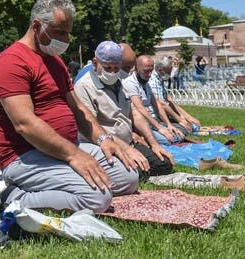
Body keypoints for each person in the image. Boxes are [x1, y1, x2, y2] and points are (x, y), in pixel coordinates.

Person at [0, 0, 140, 213]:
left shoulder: (55, 61)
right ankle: (14, 197)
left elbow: (78, 108)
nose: (65, 40)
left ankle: (58, 184)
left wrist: (103, 139)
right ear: (36, 25)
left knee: (128, 176)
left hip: (64, 149)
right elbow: (25, 124)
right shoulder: (12, 61)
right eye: (59, 32)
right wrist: (74, 156)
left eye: (67, 33)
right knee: (98, 197)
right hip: (25, 156)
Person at [74, 41, 173, 180]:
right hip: (105, 145)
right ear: (96, 63)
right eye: (108, 68)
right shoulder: (84, 86)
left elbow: (135, 114)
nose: (113, 73)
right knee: (137, 172)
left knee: (163, 164)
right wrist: (126, 150)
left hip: (128, 141)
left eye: (116, 68)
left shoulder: (120, 82)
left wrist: (154, 143)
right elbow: (94, 127)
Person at [122, 55, 184, 146]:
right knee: (170, 140)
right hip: (143, 125)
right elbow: (140, 107)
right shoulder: (130, 83)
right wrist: (160, 128)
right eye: (146, 71)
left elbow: (157, 104)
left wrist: (168, 125)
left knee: (180, 134)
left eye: (151, 71)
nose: (150, 74)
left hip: (154, 122)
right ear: (136, 68)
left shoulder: (145, 82)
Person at [150, 57, 200, 134]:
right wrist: (180, 120)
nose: (169, 75)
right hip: (156, 118)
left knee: (192, 126)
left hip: (163, 117)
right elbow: (162, 104)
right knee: (186, 129)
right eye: (168, 72)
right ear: (160, 70)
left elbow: (169, 101)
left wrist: (186, 116)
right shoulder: (153, 80)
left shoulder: (159, 78)